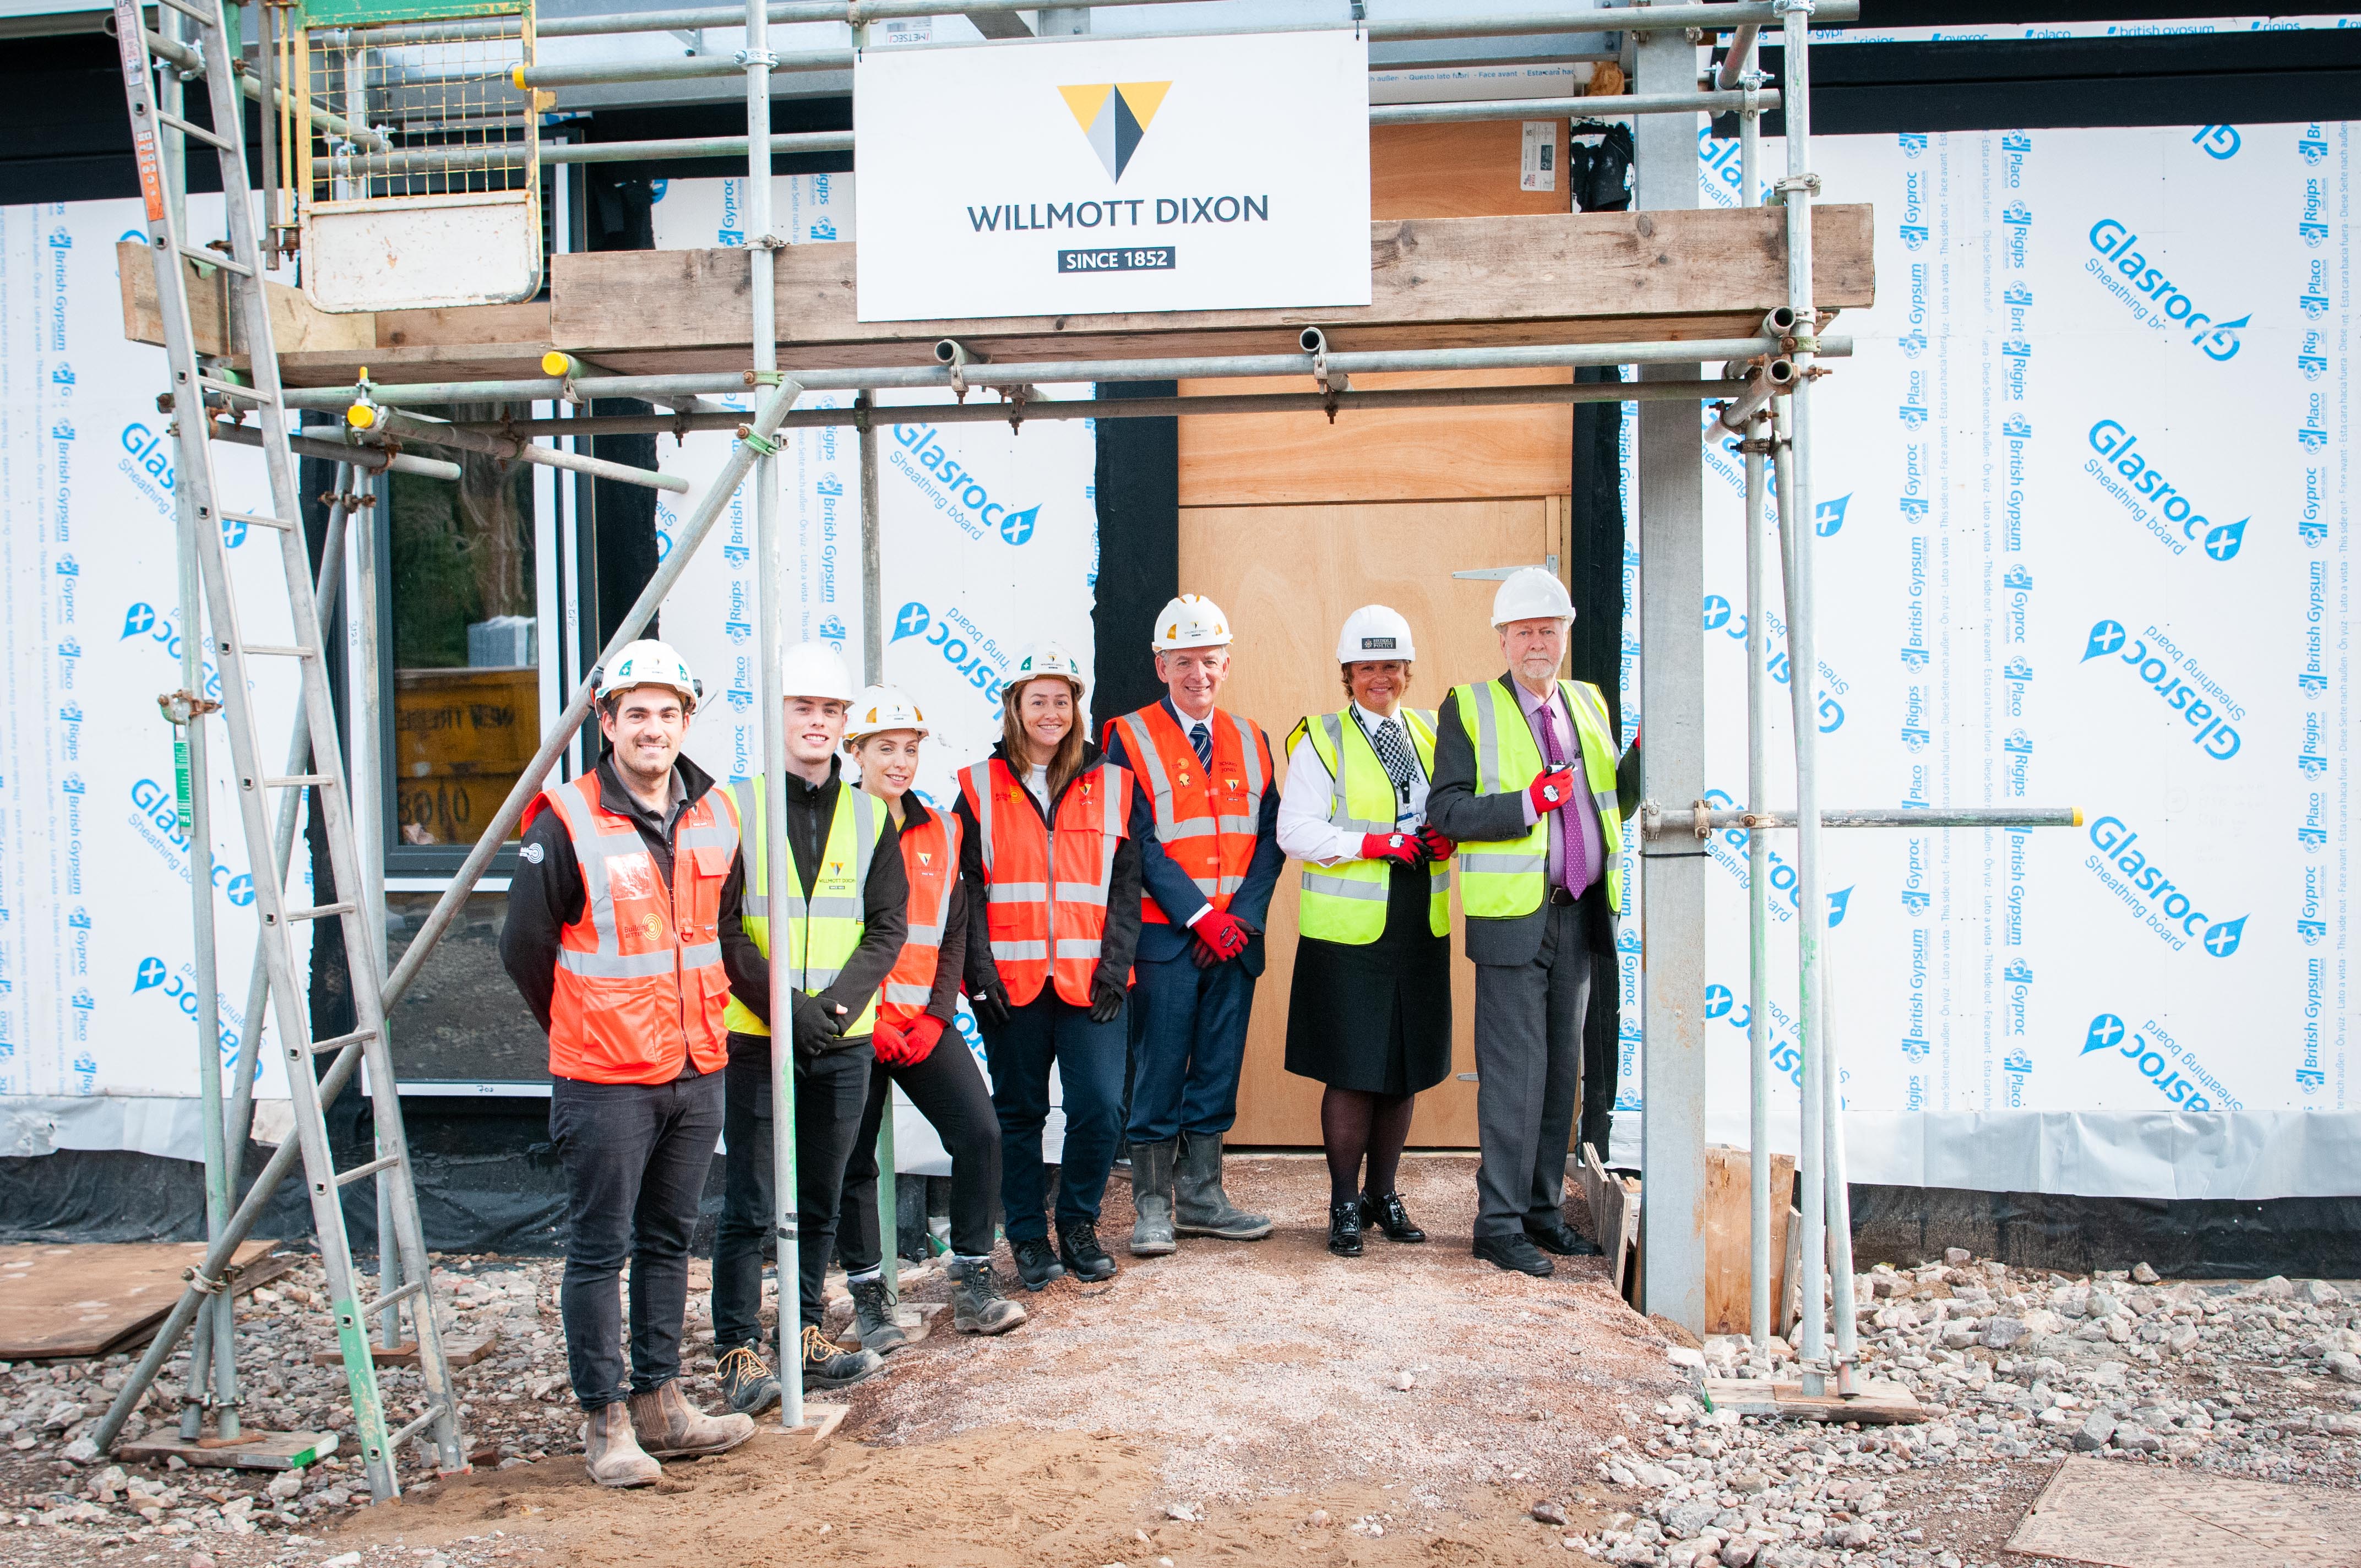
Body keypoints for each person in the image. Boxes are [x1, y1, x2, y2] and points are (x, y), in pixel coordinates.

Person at [499, 639, 757, 1488]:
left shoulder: (717, 811)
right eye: (636, 713)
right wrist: (579, 1025)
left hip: (695, 1067)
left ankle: (662, 1405)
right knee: (598, 1249)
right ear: (606, 723)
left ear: (688, 721)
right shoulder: (565, 820)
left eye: (669, 713)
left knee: (667, 1241)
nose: (654, 728)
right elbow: (525, 948)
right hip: (605, 1077)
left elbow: (723, 931)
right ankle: (605, 1420)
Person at [1427, 569, 1641, 1278]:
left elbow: (1612, 800)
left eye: (1548, 630)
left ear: (1565, 635)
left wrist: (1644, 757)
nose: (1536, 643)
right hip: (1513, 919)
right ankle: (1498, 1224)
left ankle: (1543, 1214)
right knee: (1514, 1074)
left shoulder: (1587, 702)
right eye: (1523, 632)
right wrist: (1525, 800)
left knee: (1560, 1074)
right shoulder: (1469, 706)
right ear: (1502, 639)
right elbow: (1447, 813)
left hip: (1579, 913)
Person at [710, 642, 908, 1406]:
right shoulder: (734, 808)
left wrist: (829, 1010)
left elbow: (887, 927)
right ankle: (736, 1350)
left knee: (820, 1194)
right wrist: (783, 1007)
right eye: (804, 708)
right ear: (777, 716)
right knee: (752, 1202)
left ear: (844, 723)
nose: (818, 722)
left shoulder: (869, 817)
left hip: (840, 1039)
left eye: (830, 711)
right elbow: (722, 925)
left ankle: (802, 1334)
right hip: (760, 1037)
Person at [833, 686, 1027, 1342]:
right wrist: (871, 1017)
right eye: (885, 748)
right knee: (854, 1159)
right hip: (853, 1024)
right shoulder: (831, 826)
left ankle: (973, 1278)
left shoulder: (942, 827)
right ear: (853, 751)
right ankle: (868, 1299)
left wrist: (935, 1015)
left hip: (920, 1021)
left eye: (910, 749)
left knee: (981, 1133)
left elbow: (952, 931)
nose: (899, 762)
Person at [1099, 593, 1284, 1256]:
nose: (1197, 674)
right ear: (1160, 665)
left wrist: (1240, 918)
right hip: (1166, 939)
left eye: (1209, 661)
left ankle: (1204, 1196)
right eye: (1183, 662)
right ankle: (1153, 1205)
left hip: (1233, 940)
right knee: (1157, 1070)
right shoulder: (1128, 735)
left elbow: (1270, 837)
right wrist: (1201, 917)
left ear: (1226, 663)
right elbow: (1135, 839)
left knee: (1216, 1067)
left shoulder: (1253, 738)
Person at [955, 643, 1143, 1291]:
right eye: (1038, 700)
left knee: (1098, 1107)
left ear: (1076, 708)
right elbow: (967, 892)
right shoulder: (977, 786)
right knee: (1020, 1113)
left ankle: (1080, 1223)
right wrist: (978, 974)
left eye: (1062, 700)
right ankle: (1029, 1239)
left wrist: (1116, 969)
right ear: (1014, 706)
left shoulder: (1113, 782)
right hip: (1011, 984)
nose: (1051, 712)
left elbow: (1126, 884)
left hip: (1092, 981)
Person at [1276, 607, 1456, 1258]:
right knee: (1353, 1070)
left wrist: (1450, 833)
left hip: (1417, 921)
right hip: (1349, 932)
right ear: (1347, 673)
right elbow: (1292, 830)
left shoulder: (1435, 732)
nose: (1381, 677)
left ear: (1408, 671)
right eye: (1367, 666)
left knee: (1402, 1068)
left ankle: (1383, 1194)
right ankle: (1343, 1203)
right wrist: (1373, 843)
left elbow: (1455, 806)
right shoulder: (1321, 738)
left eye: (1392, 666)